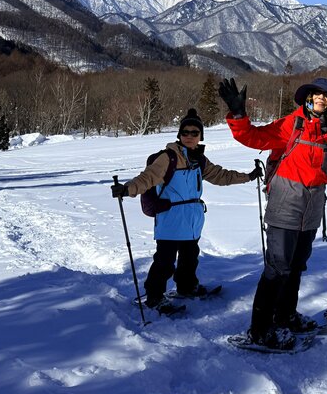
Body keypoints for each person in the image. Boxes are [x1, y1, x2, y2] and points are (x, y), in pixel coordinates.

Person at [218, 76, 327, 350]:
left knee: (297, 267)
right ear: (308, 98)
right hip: (286, 204)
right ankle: (260, 331)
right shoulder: (292, 124)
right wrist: (239, 114)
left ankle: (285, 316)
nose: (322, 99)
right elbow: (253, 137)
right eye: (317, 95)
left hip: (311, 210)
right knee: (277, 269)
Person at [112, 108, 262, 313]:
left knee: (190, 257)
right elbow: (148, 178)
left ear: (200, 136)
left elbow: (221, 176)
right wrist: (127, 189)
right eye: (185, 132)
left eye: (194, 133)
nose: (190, 136)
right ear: (179, 135)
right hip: (171, 219)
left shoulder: (199, 159)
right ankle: (154, 296)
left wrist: (248, 176)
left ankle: (186, 287)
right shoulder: (168, 158)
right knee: (164, 261)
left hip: (192, 219)